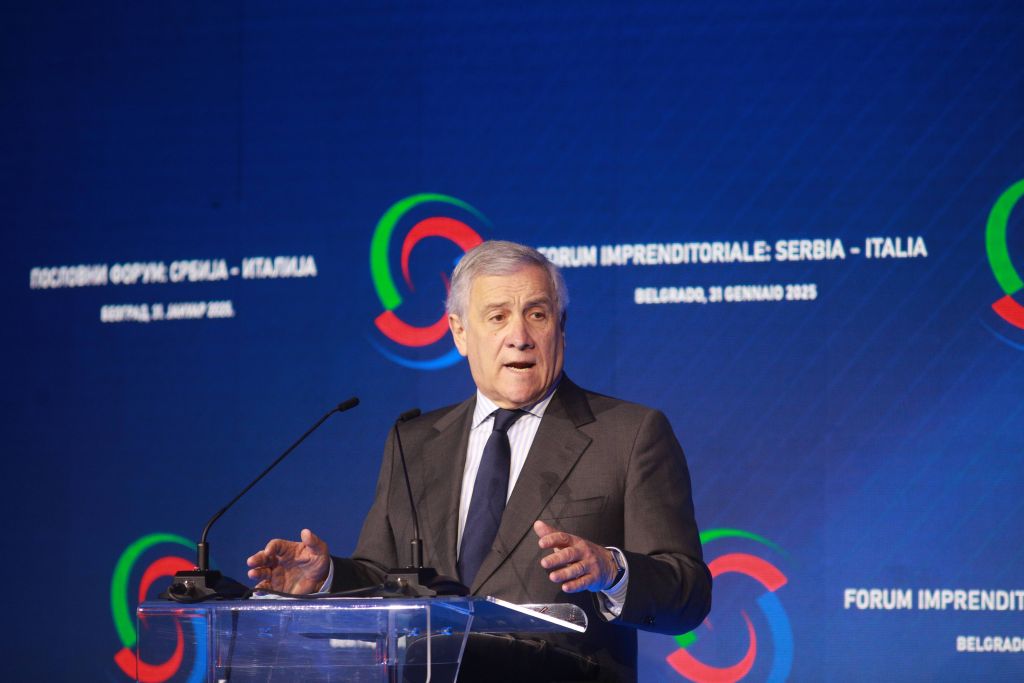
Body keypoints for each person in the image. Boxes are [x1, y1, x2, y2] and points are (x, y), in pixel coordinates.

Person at [247, 240, 711, 682]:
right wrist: (326, 578)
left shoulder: (628, 435)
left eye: (537, 314)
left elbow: (687, 595)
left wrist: (612, 570)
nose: (520, 337)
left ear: (561, 328)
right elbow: (384, 580)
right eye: (498, 317)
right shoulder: (414, 442)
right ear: (460, 332)